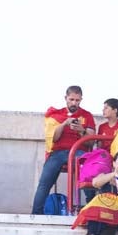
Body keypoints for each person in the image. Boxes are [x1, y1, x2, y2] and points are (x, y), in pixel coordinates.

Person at [31, 86, 94, 215]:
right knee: (44, 183)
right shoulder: (56, 115)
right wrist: (64, 123)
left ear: (81, 99)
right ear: (66, 98)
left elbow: (91, 141)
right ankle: (36, 215)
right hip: (58, 153)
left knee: (89, 182)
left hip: (79, 152)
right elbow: (54, 138)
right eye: (71, 99)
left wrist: (81, 130)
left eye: (77, 100)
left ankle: (91, 213)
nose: (74, 103)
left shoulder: (87, 115)